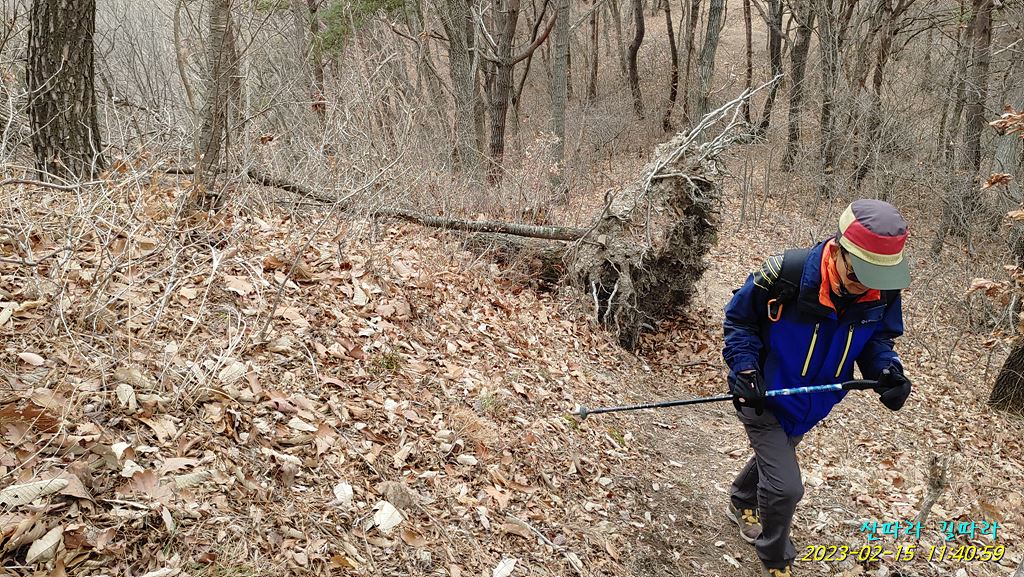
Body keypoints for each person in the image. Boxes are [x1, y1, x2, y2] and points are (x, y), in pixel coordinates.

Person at [721, 199, 913, 577]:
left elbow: (877, 341)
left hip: (814, 401)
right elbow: (739, 321)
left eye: (876, 277)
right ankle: (776, 556)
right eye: (859, 274)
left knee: (778, 454)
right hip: (762, 394)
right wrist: (745, 369)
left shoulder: (883, 291)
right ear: (839, 250)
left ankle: (741, 499)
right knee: (786, 488)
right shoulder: (786, 275)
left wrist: (887, 372)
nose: (865, 286)